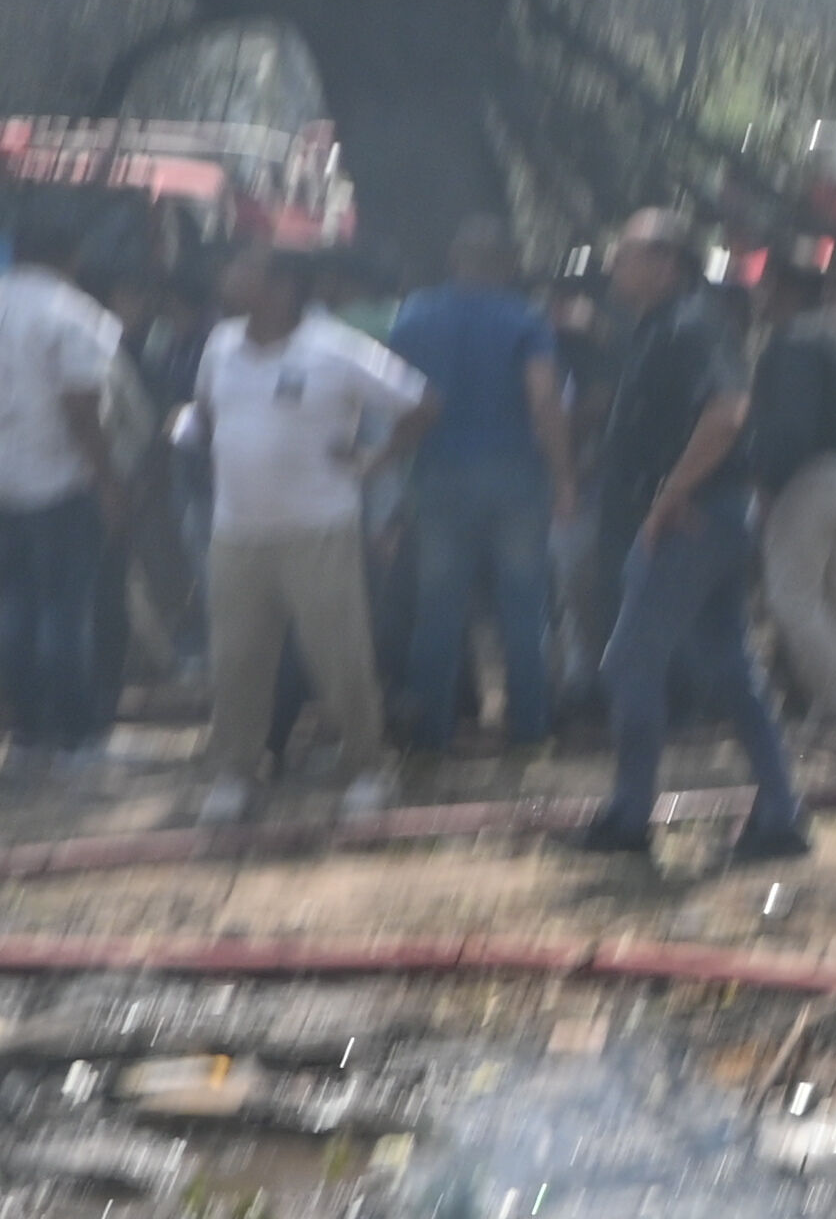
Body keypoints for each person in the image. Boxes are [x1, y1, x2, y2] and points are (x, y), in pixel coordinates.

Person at [561, 213, 810, 864]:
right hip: (701, 517)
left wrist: (672, 494)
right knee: (730, 667)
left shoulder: (692, 325)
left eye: (627, 253)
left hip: (688, 521)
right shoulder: (658, 327)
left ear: (668, 262)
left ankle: (629, 816)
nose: (614, 265)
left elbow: (728, 412)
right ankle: (781, 814)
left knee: (629, 662)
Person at [179, 243, 426, 823]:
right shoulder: (220, 345)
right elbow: (206, 412)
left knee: (339, 657)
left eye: (242, 266)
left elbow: (420, 402)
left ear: (283, 285)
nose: (228, 274)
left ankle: (368, 769)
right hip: (236, 532)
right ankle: (236, 774)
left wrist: (376, 459)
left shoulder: (334, 347)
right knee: (237, 659)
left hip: (319, 529)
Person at [384, 218, 572, 753]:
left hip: (440, 476)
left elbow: (396, 395)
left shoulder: (415, 314)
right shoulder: (525, 319)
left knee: (438, 609)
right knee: (522, 607)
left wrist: (390, 466)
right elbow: (543, 399)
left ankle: (430, 730)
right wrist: (563, 477)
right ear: (508, 268)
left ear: (453, 260)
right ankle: (529, 729)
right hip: (516, 477)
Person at [0, 243, 127, 762]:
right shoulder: (74, 313)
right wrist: (109, 480)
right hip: (61, 482)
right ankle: (77, 735)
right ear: (72, 260)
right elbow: (81, 408)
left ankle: (28, 733)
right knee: (67, 613)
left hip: (5, 483)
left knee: (14, 611)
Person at [743, 250, 836, 722]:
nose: (760, 295)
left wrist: (769, 481)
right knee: (833, 592)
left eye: (767, 285)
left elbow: (790, 427)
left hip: (805, 477)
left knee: (790, 596)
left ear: (788, 290)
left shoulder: (792, 341)